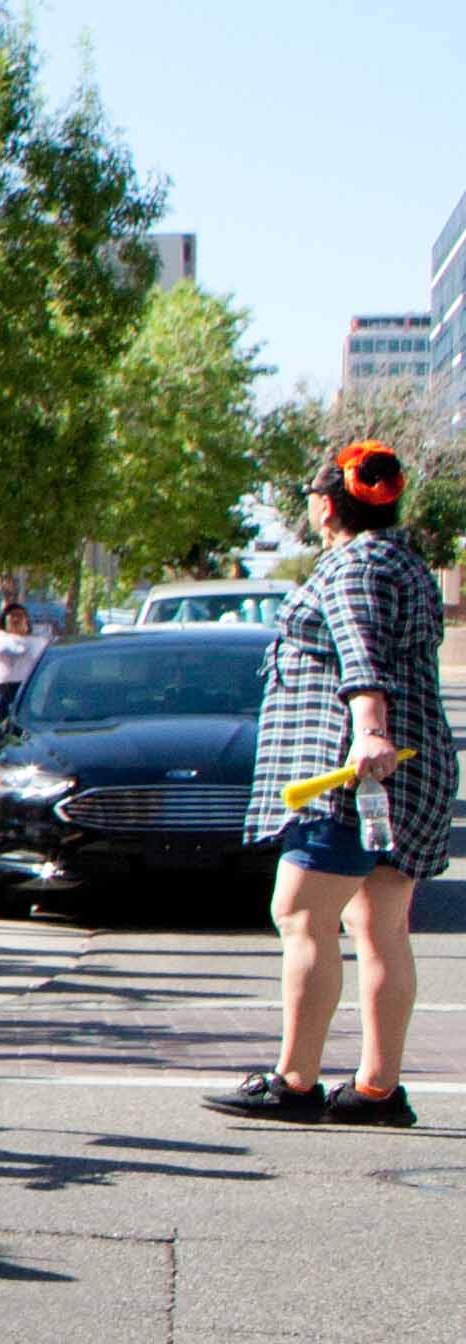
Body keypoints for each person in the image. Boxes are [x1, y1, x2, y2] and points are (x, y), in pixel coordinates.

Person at [213, 441, 449, 1129]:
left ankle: (295, 1080)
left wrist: (369, 729)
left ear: (325, 503)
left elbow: (360, 648)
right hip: (407, 766)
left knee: (300, 913)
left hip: (351, 770)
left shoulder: (353, 565)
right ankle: (376, 1090)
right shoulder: (404, 562)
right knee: (379, 927)